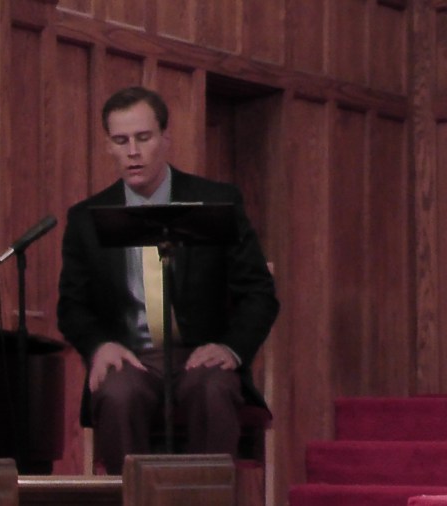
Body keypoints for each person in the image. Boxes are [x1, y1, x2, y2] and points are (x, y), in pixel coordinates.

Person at [57, 86, 279, 474]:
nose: (133, 152)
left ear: (165, 138)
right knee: (117, 394)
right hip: (132, 357)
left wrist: (231, 348)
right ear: (108, 146)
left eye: (143, 138)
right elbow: (72, 306)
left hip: (200, 354)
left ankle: (205, 500)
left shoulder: (215, 200)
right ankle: (132, 498)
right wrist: (98, 346)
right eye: (121, 141)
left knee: (211, 389)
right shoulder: (86, 218)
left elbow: (259, 293)